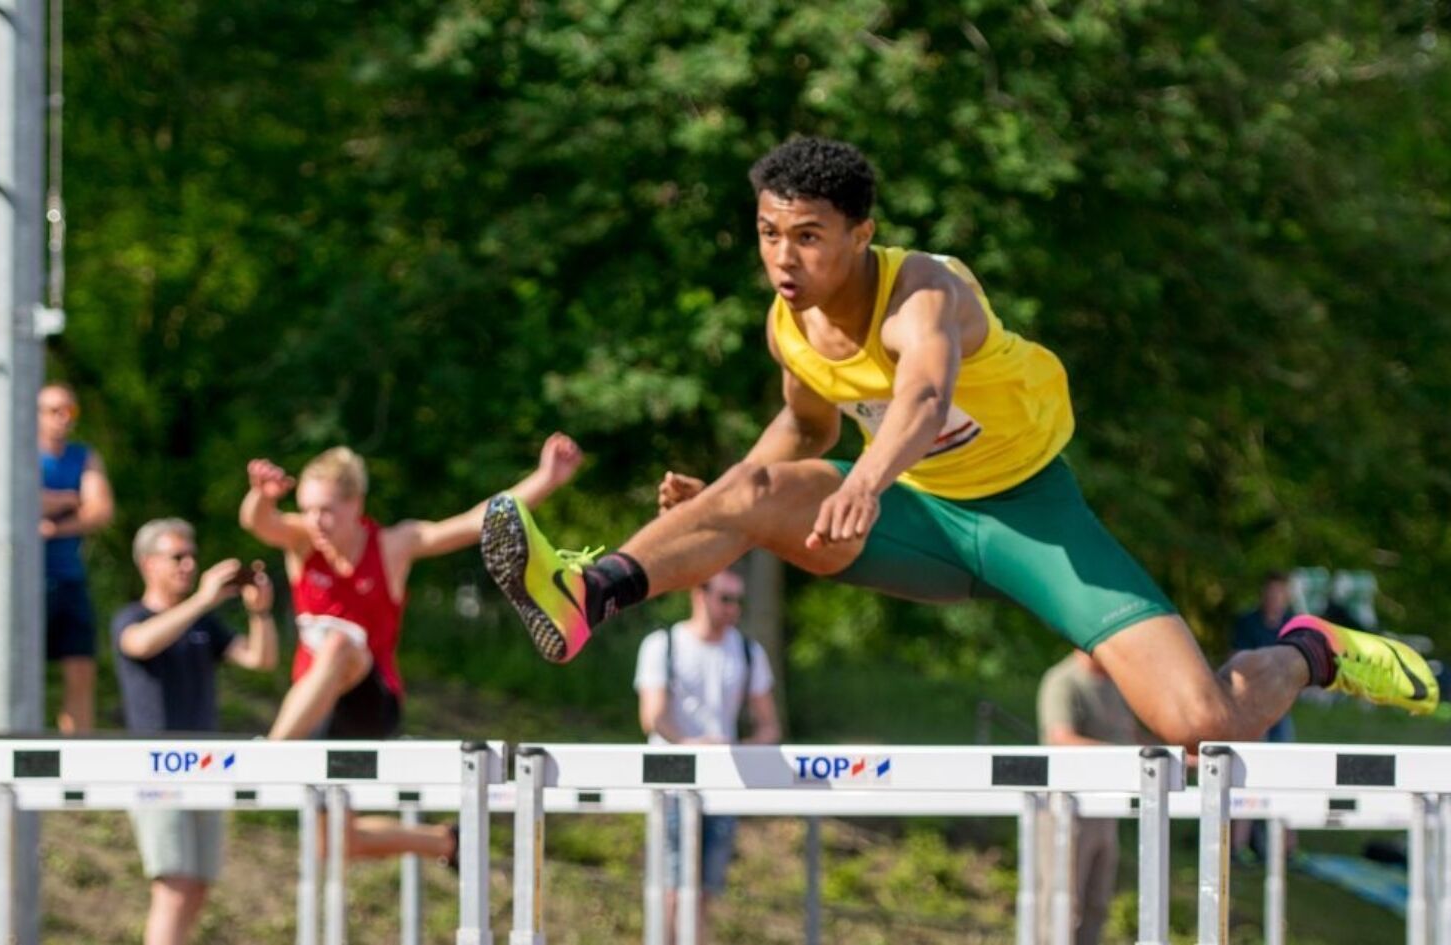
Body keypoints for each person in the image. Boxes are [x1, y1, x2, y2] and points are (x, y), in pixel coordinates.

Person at [479, 136, 1438, 756]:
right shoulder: (789, 326)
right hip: (914, 523)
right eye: (769, 233)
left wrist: (864, 476)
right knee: (755, 485)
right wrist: (722, 499)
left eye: (808, 237)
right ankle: (591, 592)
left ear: (862, 233)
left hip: (1032, 517)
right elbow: (803, 430)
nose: (782, 258)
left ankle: (1315, 650)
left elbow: (924, 394)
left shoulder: (928, 291)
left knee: (1199, 724)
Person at [240, 432, 582, 861]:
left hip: (371, 703)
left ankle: (271, 755)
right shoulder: (303, 540)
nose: (316, 522)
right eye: (307, 509)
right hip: (316, 713)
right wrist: (261, 496)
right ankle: (447, 842)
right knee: (337, 846)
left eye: (326, 510)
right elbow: (258, 522)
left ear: (355, 504)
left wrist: (547, 478)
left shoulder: (392, 546)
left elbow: (475, 521)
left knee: (339, 643)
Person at [113, 518, 278, 945]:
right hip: (156, 770)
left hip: (206, 768)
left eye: (192, 556)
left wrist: (260, 612)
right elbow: (139, 643)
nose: (188, 565)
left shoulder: (205, 622)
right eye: (177, 557)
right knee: (173, 885)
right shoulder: (133, 616)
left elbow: (260, 659)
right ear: (148, 563)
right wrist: (203, 600)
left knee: (198, 884)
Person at [634, 567, 779, 945]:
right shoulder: (662, 644)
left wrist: (735, 753)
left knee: (705, 892)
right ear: (699, 594)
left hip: (722, 786)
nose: (734, 609)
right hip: (671, 781)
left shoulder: (748, 651)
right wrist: (692, 745)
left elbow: (769, 727)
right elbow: (654, 715)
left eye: (738, 601)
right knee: (670, 889)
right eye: (726, 599)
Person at [1037, 649, 1140, 945]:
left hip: (1106, 808)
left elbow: (1131, 738)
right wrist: (1122, 758)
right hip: (1069, 811)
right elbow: (1062, 738)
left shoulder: (1115, 684)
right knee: (1062, 902)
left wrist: (1178, 757)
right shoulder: (1063, 681)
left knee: (1098, 902)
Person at [39, 381, 115, 734]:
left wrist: (54, 526)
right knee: (21, 671)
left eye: (70, 410)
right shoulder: (20, 453)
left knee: (81, 672)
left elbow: (100, 509)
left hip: (70, 577)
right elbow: (20, 500)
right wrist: (71, 499)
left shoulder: (84, 455)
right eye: (54, 410)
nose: (64, 418)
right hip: (27, 582)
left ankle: (76, 757)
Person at [1230, 571, 1298, 863]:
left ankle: (1286, 849)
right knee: (1248, 776)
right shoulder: (1247, 624)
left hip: (1281, 711)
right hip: (1253, 711)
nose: (1274, 600)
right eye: (1270, 593)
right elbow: (1237, 666)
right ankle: (1236, 847)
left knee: (1287, 777)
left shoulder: (1293, 625)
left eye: (1280, 594)